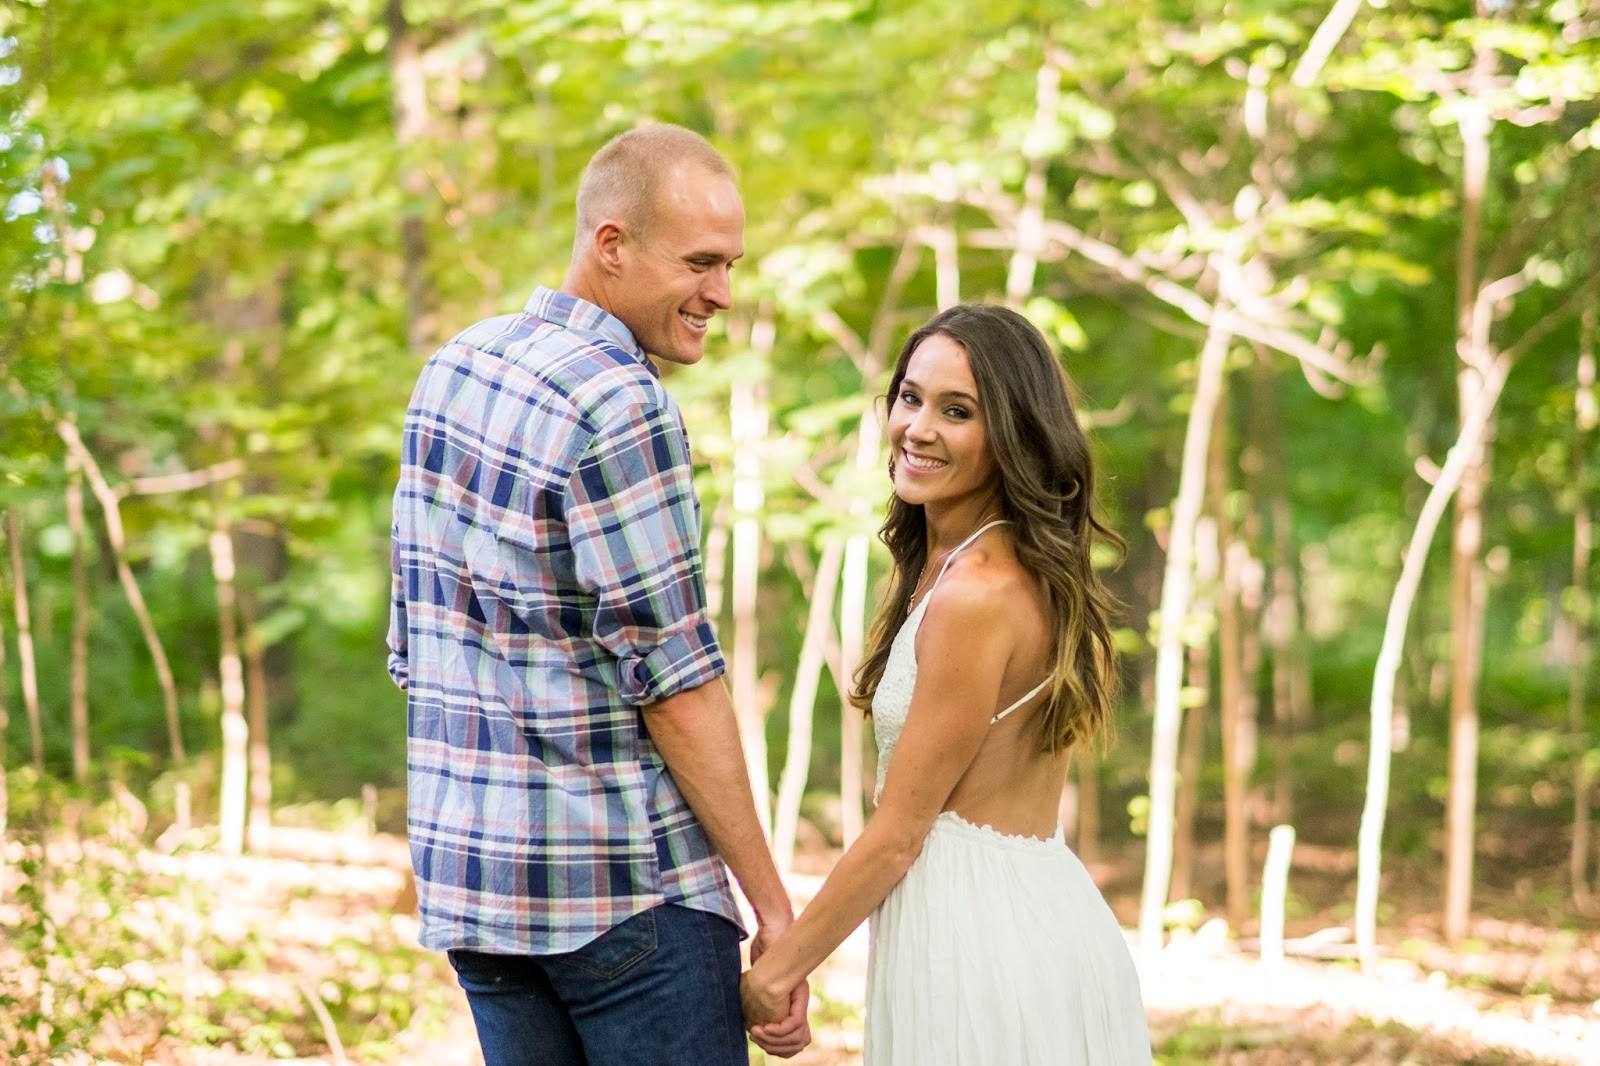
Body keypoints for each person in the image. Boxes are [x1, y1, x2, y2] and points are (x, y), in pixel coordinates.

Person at [387, 123, 809, 1066]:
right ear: (611, 244)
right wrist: (774, 910)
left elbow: (412, 643)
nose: (723, 295)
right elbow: (677, 681)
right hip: (624, 897)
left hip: (477, 895)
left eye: (732, 265)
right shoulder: (621, 403)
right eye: (701, 263)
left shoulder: (457, 364)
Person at [740, 303, 1152, 1065]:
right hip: (1020, 915)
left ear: (1012, 436)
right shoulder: (969, 567)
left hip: (983, 946)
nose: (918, 428)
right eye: (909, 397)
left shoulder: (978, 594)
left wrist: (777, 973)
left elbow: (899, 835)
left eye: (957, 411)